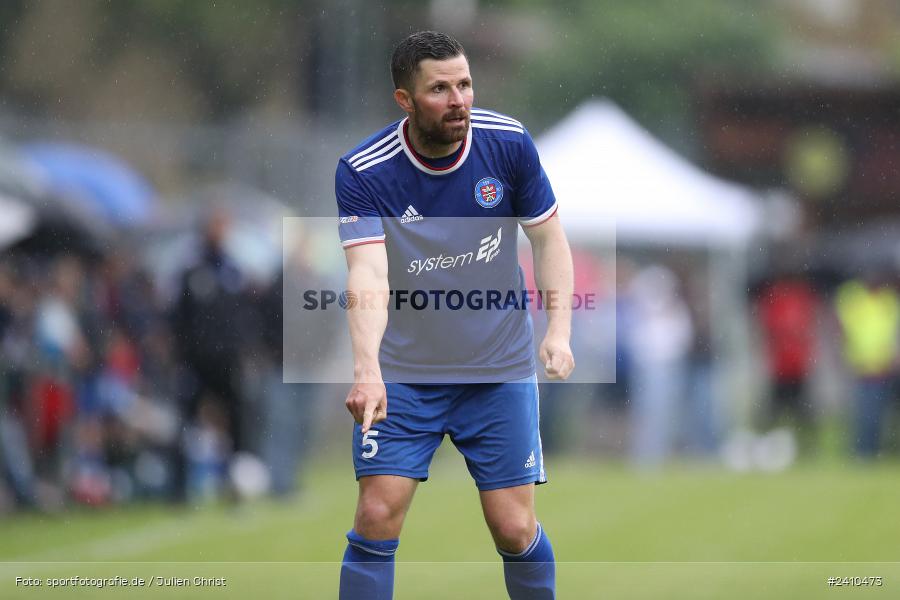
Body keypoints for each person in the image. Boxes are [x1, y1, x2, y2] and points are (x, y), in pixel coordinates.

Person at [333, 31, 574, 600]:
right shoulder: (364, 171)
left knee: (514, 528)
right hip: (406, 375)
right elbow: (368, 275)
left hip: (497, 368)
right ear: (405, 100)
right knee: (376, 512)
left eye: (464, 84)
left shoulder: (508, 144)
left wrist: (559, 330)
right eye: (439, 89)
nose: (459, 99)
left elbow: (549, 240)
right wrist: (367, 367)